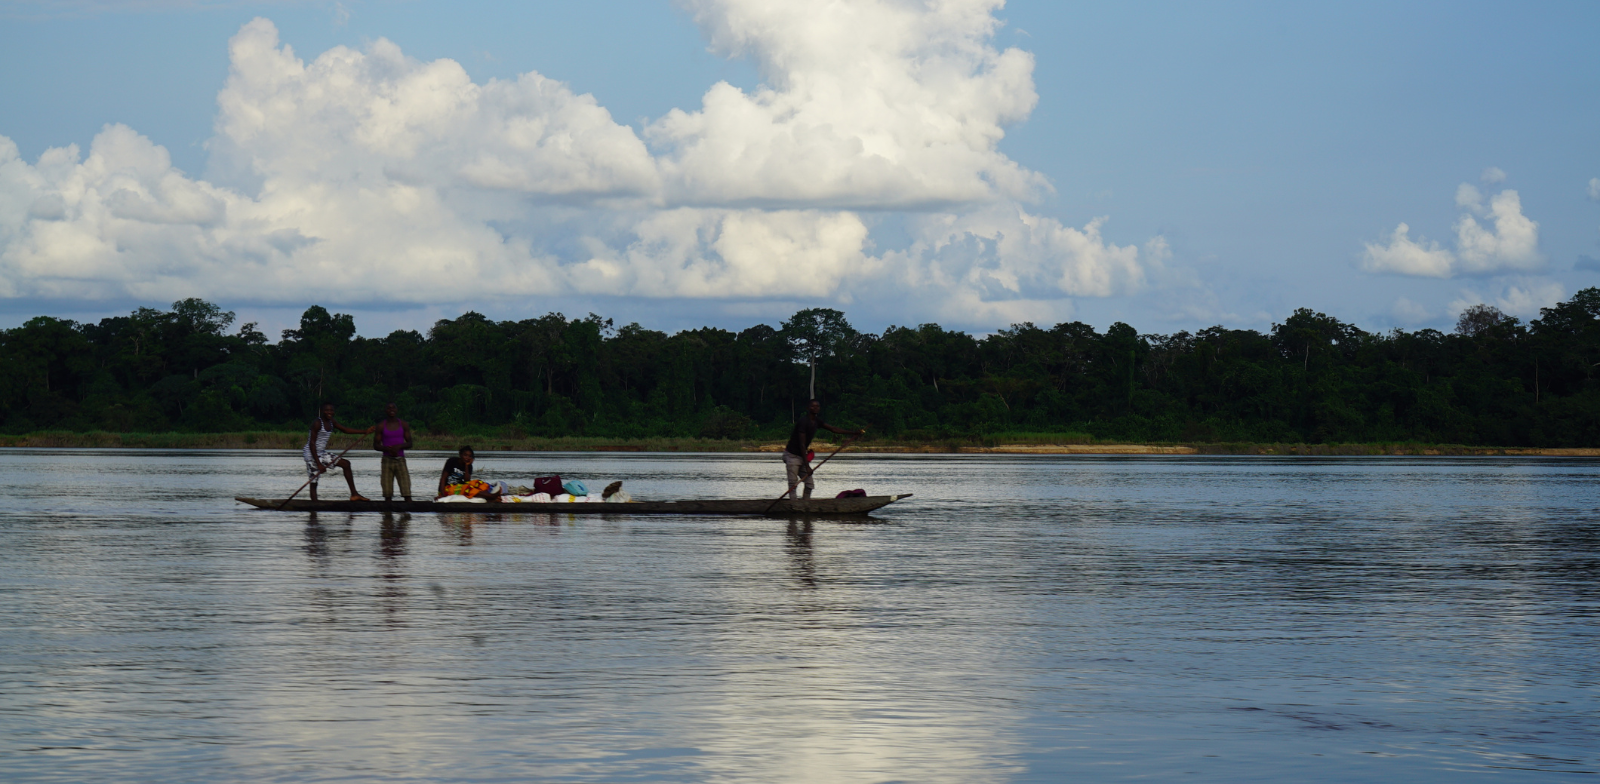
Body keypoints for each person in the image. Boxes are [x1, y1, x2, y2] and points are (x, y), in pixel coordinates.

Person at [783, 399, 864, 499]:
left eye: (817, 406)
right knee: (793, 484)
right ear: (808, 408)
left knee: (809, 485)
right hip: (792, 455)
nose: (815, 408)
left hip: (801, 456)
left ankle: (805, 504)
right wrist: (807, 466)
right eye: (813, 406)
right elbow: (802, 445)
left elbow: (833, 429)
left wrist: (853, 433)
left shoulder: (816, 421)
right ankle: (794, 505)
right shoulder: (803, 422)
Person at [304, 403, 375, 501]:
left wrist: (364, 431)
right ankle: (314, 508)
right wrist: (319, 463)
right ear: (322, 411)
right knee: (314, 482)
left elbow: (345, 430)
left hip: (321, 452)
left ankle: (354, 494)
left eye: (331, 410)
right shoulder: (317, 423)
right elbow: (312, 444)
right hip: (311, 454)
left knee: (346, 464)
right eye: (327, 410)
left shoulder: (331, 421)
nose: (330, 413)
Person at [372, 402, 414, 501]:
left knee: (406, 491)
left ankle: (408, 513)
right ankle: (387, 515)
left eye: (393, 407)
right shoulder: (381, 426)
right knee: (387, 493)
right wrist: (388, 449)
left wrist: (399, 447)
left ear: (397, 410)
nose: (391, 410)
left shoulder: (403, 424)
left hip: (400, 460)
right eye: (389, 408)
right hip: (387, 460)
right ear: (385, 411)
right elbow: (376, 445)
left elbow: (410, 443)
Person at [437, 446, 501, 501]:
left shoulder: (469, 466)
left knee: (478, 482)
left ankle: (488, 495)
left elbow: (466, 480)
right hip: (448, 488)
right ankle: (492, 497)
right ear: (460, 455)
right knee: (467, 488)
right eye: (465, 455)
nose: (467, 458)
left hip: (460, 486)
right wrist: (442, 494)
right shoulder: (452, 461)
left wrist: (467, 466)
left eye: (469, 456)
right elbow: (443, 478)